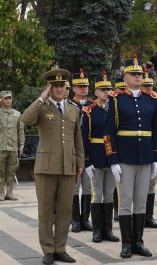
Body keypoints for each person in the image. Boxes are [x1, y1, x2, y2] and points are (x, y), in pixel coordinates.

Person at [21, 68, 84, 265]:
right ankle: (48, 249)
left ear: (66, 88)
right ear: (49, 88)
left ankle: (61, 248)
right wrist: (41, 98)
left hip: (68, 166)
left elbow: (77, 139)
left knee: (65, 210)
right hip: (46, 167)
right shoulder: (42, 107)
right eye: (54, 85)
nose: (59, 89)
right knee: (46, 210)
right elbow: (26, 119)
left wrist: (80, 163)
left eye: (61, 85)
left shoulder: (73, 109)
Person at [103, 55, 157, 258]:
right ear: (125, 77)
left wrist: (155, 158)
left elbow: (155, 131)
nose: (138, 77)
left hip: (145, 156)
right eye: (134, 74)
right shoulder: (116, 99)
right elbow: (109, 132)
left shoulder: (151, 100)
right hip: (125, 158)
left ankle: (139, 241)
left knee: (141, 200)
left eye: (140, 74)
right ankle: (126, 243)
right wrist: (113, 160)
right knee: (126, 200)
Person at [81, 71, 120, 243]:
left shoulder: (114, 109)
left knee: (110, 194)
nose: (106, 92)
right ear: (96, 92)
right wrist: (87, 161)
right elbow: (83, 138)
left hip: (111, 159)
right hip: (96, 158)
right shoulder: (89, 111)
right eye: (102, 89)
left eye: (108, 89)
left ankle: (107, 230)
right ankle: (97, 231)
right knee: (97, 194)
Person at [69, 69, 93, 233]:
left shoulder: (93, 105)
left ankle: (85, 219)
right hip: (74, 154)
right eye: (79, 86)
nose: (83, 89)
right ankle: (75, 220)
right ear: (73, 88)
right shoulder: (69, 106)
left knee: (88, 188)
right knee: (74, 189)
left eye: (85, 86)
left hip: (90, 153)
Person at [141, 71, 157, 229]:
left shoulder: (156, 102)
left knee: (150, 185)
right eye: (145, 85)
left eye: (150, 85)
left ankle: (148, 216)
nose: (148, 88)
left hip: (153, 148)